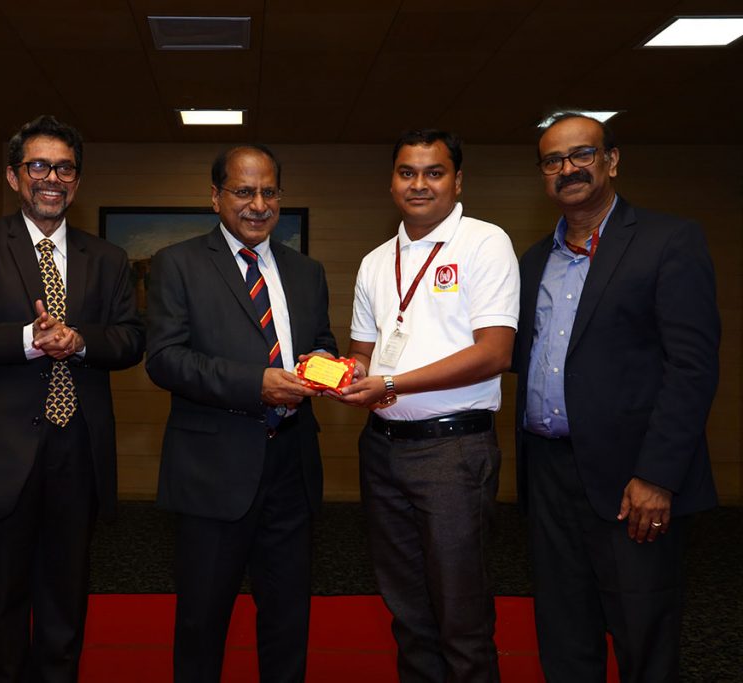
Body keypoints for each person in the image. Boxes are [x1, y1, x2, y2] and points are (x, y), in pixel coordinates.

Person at [0, 115, 144, 682]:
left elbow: (130, 340)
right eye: (39, 166)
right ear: (13, 176)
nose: (52, 178)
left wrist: (80, 341)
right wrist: (29, 339)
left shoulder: (108, 258)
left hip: (78, 450)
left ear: (78, 180)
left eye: (65, 168)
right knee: (2, 594)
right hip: (0, 453)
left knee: (66, 594)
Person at [513, 112, 720, 681]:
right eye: (553, 161)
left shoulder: (668, 241)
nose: (568, 169)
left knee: (643, 637)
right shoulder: (533, 260)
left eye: (581, 154)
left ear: (612, 160)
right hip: (549, 475)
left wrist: (657, 475)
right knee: (564, 634)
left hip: (634, 480)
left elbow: (692, 367)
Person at [146, 144, 337, 683]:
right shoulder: (178, 264)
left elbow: (321, 342)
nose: (258, 204)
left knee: (287, 621)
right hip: (212, 472)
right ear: (216, 197)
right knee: (202, 625)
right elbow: (165, 360)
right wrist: (257, 384)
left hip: (292, 468)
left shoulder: (306, 271)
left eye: (269, 192)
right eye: (244, 191)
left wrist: (326, 367)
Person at [335, 130, 518, 682]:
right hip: (381, 449)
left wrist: (392, 383)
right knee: (408, 613)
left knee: (461, 616)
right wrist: (341, 371)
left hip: (453, 451)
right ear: (391, 182)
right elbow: (364, 354)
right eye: (407, 172)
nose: (419, 184)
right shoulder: (374, 261)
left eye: (434, 172)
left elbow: (494, 353)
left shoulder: (484, 242)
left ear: (457, 182)